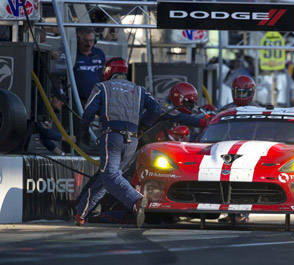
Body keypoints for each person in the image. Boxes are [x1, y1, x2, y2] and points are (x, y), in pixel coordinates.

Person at [74, 57, 207, 227]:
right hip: (132, 141)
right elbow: (157, 110)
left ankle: (136, 201)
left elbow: (88, 113)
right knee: (106, 178)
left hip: (112, 136)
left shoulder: (101, 87)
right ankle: (81, 214)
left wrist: (82, 134)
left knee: (110, 175)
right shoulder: (139, 89)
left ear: (108, 72)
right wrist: (141, 126)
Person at [37, 91, 76, 155]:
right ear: (52, 98)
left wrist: (62, 154)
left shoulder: (50, 112)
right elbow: (45, 132)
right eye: (60, 100)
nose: (62, 103)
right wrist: (66, 138)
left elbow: (44, 139)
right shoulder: (41, 109)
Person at [73, 27, 106, 102]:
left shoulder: (99, 53)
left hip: (97, 97)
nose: (89, 44)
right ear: (78, 40)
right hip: (78, 98)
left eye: (91, 41)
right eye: (86, 41)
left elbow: (104, 72)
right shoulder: (73, 54)